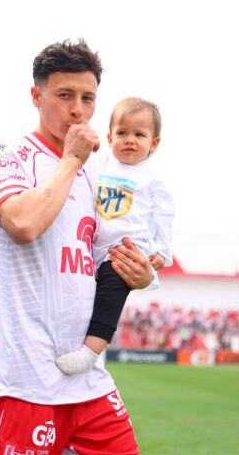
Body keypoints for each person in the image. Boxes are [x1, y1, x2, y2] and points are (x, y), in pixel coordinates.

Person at [0, 39, 154, 455]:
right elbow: (23, 225)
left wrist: (137, 273)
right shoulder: (9, 158)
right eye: (65, 96)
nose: (78, 110)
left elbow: (105, 258)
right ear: (36, 97)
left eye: (88, 98)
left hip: (86, 374)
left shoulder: (101, 174)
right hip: (27, 377)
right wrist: (71, 160)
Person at [55, 97, 174, 375]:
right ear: (109, 138)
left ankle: (91, 351)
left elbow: (164, 216)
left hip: (127, 250)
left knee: (110, 297)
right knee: (89, 298)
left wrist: (162, 252)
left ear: (154, 143)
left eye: (139, 134)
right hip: (94, 251)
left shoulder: (152, 179)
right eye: (122, 133)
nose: (129, 140)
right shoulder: (100, 164)